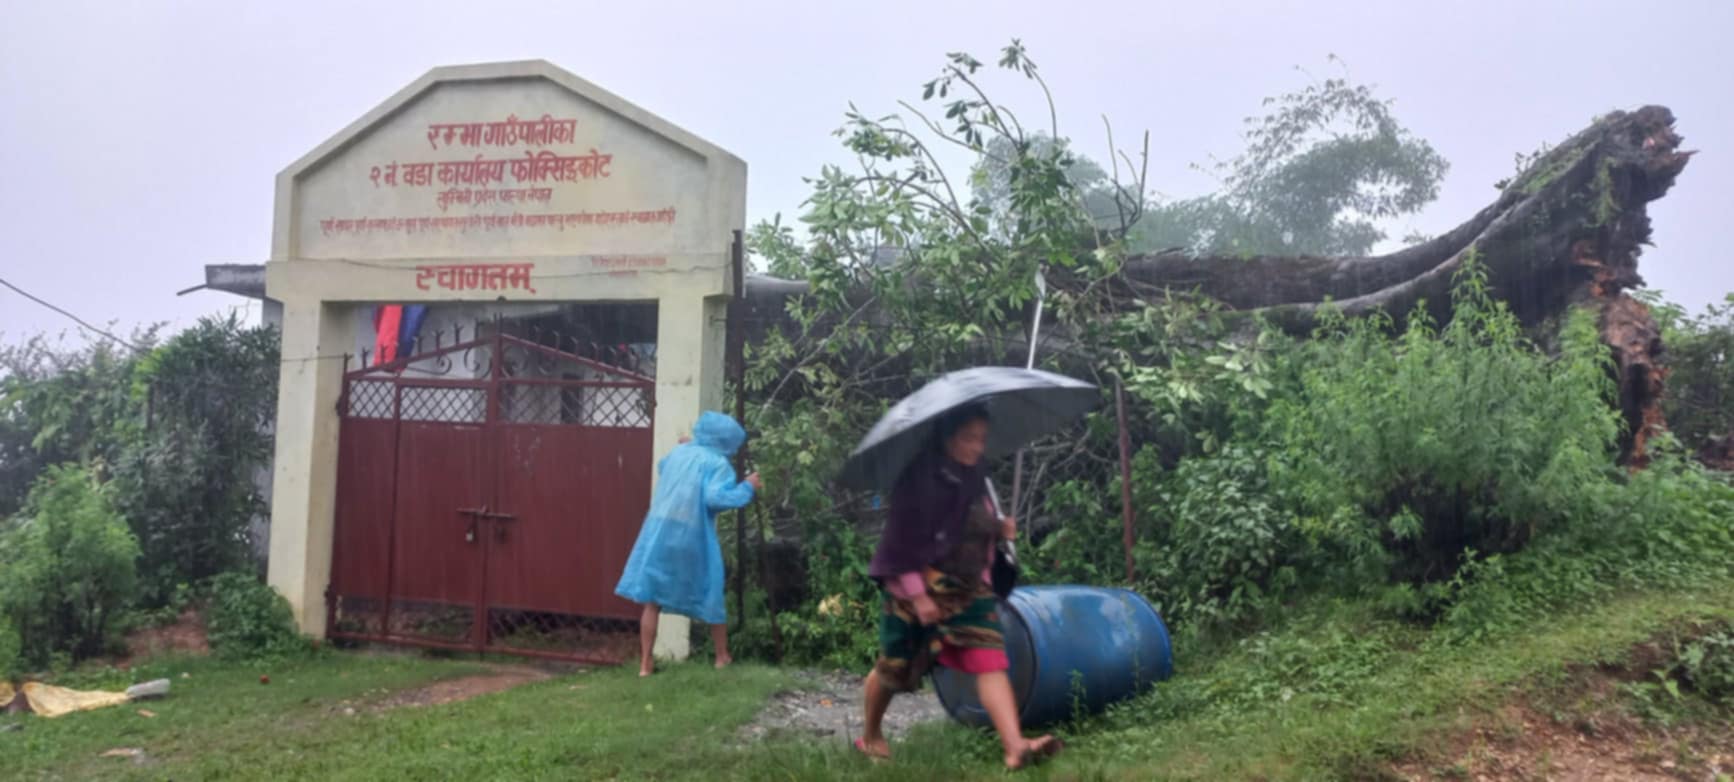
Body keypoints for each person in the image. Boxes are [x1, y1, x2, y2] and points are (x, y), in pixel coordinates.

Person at [855, 405, 1063, 771]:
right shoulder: (917, 481)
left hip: (968, 588)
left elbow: (969, 526)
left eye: (982, 439)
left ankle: (1014, 747)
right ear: (947, 437)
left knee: (989, 659)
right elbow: (901, 543)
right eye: (969, 438)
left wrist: (1000, 530)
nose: (976, 447)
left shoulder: (976, 478)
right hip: (913, 588)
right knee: (896, 666)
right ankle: (871, 734)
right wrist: (918, 596)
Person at [614, 411, 760, 676]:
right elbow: (716, 499)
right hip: (692, 534)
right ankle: (721, 656)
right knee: (711, 589)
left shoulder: (680, 453)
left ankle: (645, 663)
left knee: (652, 598)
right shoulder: (718, 464)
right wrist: (747, 487)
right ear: (727, 442)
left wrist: (686, 446)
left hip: (659, 530)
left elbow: (663, 467)